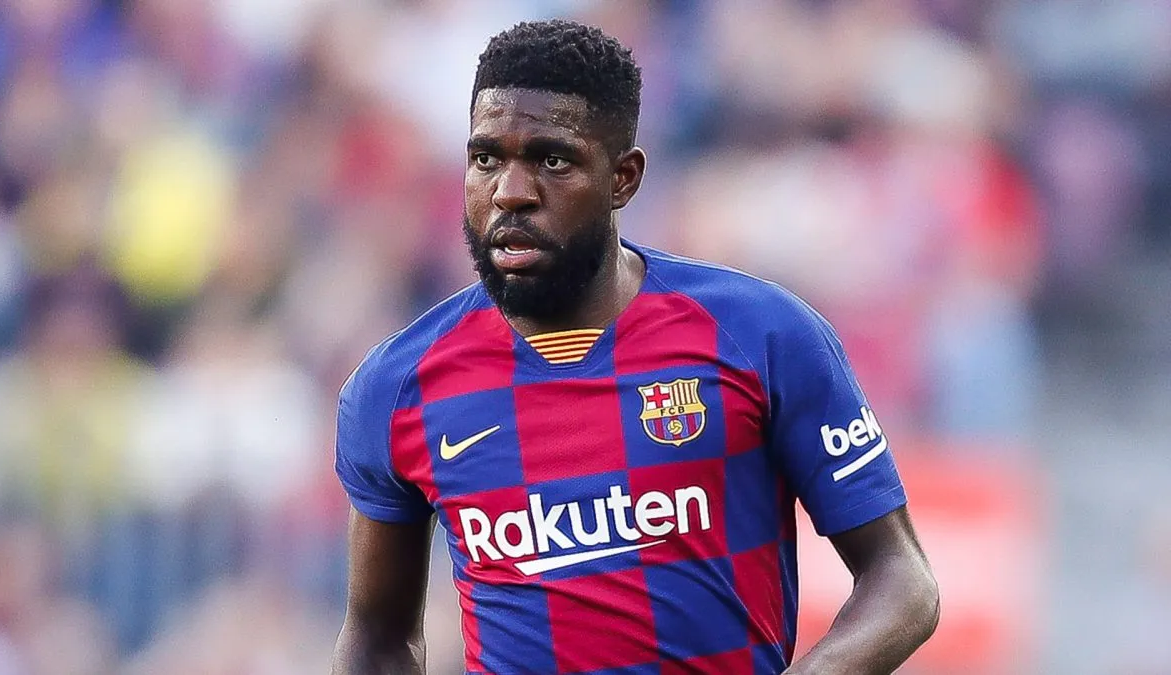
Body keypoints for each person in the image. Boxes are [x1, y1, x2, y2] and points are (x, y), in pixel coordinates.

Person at [331, 19, 939, 675]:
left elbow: (901, 579)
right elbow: (377, 638)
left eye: (551, 159)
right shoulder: (396, 388)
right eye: (486, 158)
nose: (510, 191)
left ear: (624, 178)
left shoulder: (762, 336)